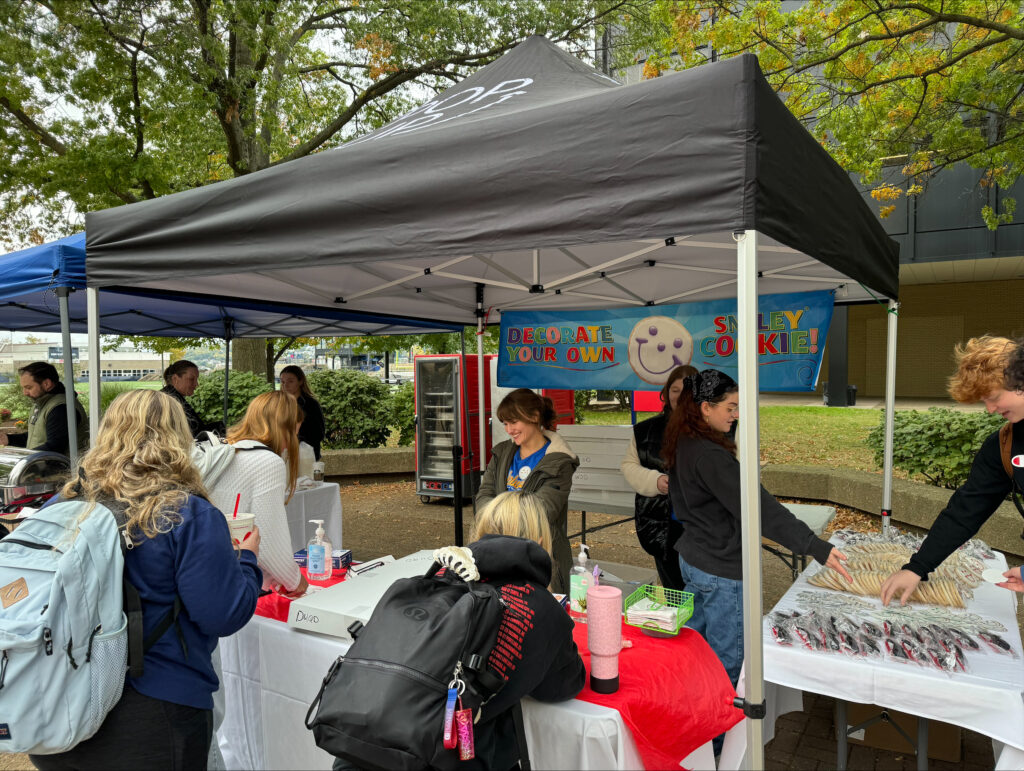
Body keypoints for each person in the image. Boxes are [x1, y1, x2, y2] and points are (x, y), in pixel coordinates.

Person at [28, 389, 262, 771]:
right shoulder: (185, 514)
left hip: (60, 701)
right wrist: (247, 559)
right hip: (156, 709)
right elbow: (224, 614)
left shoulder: (63, 504)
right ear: (178, 438)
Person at [331, 492, 584, 771]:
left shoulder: (439, 576)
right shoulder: (541, 607)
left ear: (481, 533)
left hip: (358, 746)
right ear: (540, 542)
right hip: (436, 759)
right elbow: (562, 686)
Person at [661, 368, 851, 687]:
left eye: (738, 407)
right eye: (730, 408)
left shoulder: (685, 440)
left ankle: (698, 730)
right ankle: (722, 736)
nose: (736, 415)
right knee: (729, 665)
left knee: (695, 656)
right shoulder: (709, 455)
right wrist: (814, 546)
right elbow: (759, 509)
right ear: (705, 407)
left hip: (695, 560)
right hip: (720, 571)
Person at [882, 336, 1024, 604]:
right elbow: (966, 510)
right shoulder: (1003, 446)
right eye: (985, 401)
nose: (991, 409)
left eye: (993, 397)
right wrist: (917, 567)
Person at [204, 390, 308, 598]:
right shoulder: (267, 462)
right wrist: (295, 580)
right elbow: (269, 540)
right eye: (296, 429)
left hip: (209, 571)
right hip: (240, 577)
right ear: (287, 426)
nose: (297, 436)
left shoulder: (228, 450)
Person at [476, 389, 579, 594]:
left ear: (534, 416)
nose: (509, 430)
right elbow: (483, 496)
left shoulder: (560, 461)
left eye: (513, 422)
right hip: (499, 554)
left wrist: (496, 520)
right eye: (505, 424)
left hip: (542, 557)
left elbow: (542, 509)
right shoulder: (501, 452)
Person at [621, 364, 697, 591]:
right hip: (665, 528)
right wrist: (655, 481)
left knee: (707, 597)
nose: (681, 396)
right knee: (676, 594)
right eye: (675, 390)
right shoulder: (645, 431)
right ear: (666, 393)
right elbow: (628, 466)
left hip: (707, 532)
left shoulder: (722, 428)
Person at [0, 361, 88, 456]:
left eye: (28, 387)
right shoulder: (44, 403)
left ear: (47, 384)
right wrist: (9, 439)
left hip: (61, 470)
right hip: (45, 467)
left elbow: (55, 447)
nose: (24, 393)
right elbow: (36, 437)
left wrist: (23, 459)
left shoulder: (61, 408)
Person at [161, 360, 224, 438]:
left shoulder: (171, 396)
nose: (196, 384)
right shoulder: (169, 400)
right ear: (175, 379)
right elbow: (194, 433)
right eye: (191, 379)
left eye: (196, 379)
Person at [279, 364, 325, 460]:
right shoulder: (279, 403)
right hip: (284, 455)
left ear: (300, 381)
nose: (285, 385)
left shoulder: (311, 404)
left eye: (290, 381)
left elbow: (319, 434)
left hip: (306, 456)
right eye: (282, 381)